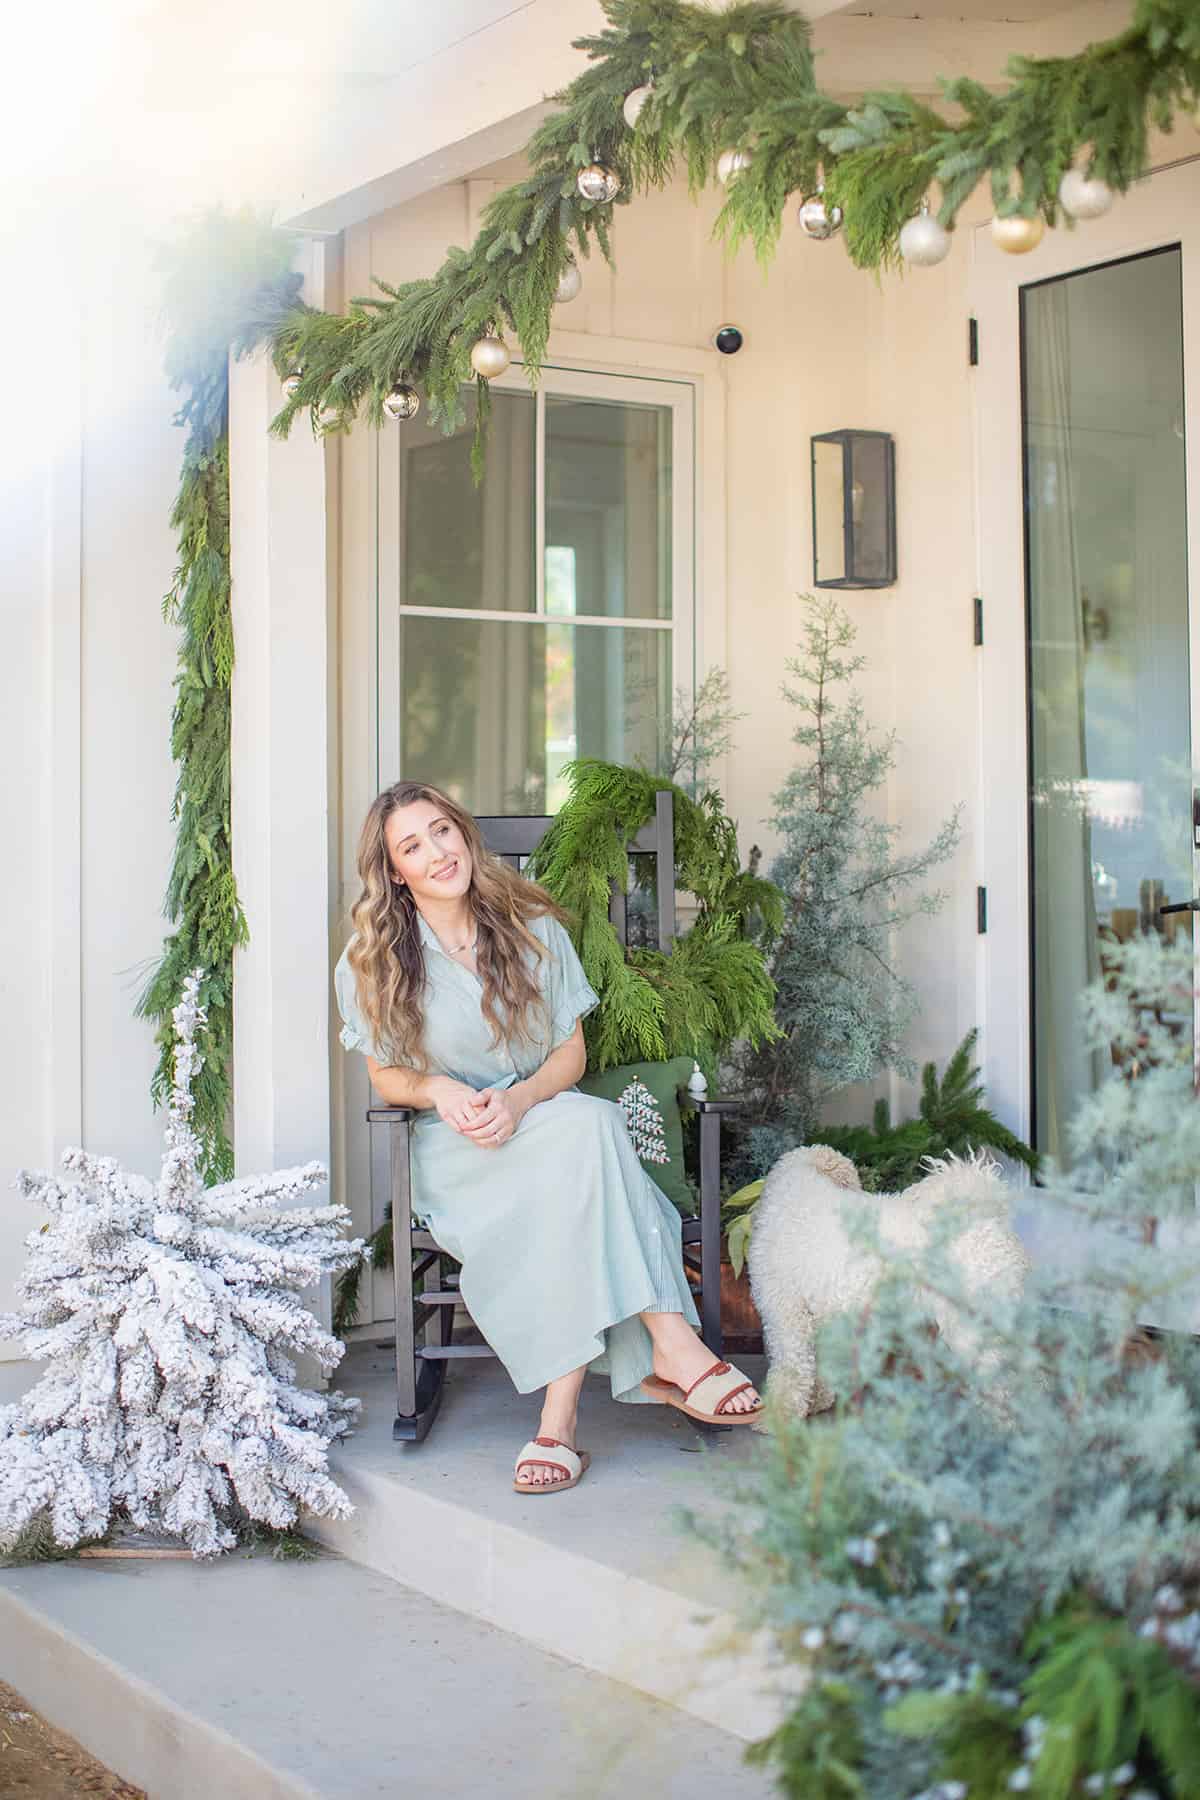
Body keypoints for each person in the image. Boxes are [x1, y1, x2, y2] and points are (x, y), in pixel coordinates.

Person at [333, 781, 763, 1495]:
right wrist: (443, 1090)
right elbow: (389, 1077)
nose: (437, 852)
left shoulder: (532, 927)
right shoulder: (372, 959)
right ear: (394, 872)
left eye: (442, 830)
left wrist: (523, 1097)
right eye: (412, 845)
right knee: (589, 1132)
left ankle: (557, 1423)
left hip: (545, 1124)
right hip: (459, 1148)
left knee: (580, 1128)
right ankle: (672, 1344)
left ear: (464, 833)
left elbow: (572, 1061)